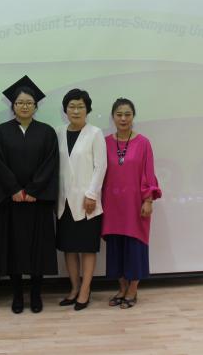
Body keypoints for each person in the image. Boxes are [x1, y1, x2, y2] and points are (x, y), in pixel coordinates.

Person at [0, 75, 58, 314]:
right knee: (15, 250)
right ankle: (18, 294)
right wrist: (14, 189)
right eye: (20, 102)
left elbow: (50, 164)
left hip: (37, 202)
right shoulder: (0, 132)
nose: (25, 106)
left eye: (29, 102)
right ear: (13, 106)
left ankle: (36, 294)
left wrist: (32, 190)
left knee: (38, 250)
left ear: (36, 106)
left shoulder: (47, 132)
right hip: (13, 202)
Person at [101, 98, 162, 309]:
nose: (123, 118)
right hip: (112, 205)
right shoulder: (104, 142)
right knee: (115, 247)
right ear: (113, 117)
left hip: (136, 205)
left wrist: (148, 200)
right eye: (119, 114)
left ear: (133, 116)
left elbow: (149, 173)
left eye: (127, 114)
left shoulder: (143, 143)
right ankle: (122, 288)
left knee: (135, 247)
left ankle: (133, 289)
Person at [56, 88, 107, 311]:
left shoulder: (95, 133)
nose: (76, 111)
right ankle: (74, 288)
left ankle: (85, 290)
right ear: (65, 110)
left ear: (87, 109)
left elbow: (101, 166)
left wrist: (92, 194)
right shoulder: (58, 132)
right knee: (69, 248)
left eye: (80, 107)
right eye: (71, 106)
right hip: (63, 202)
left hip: (87, 201)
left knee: (87, 248)